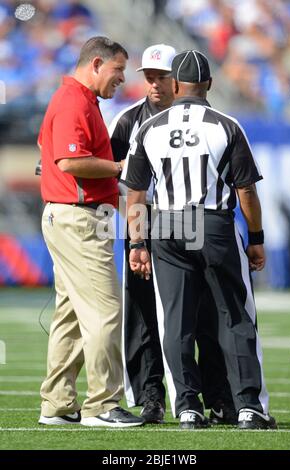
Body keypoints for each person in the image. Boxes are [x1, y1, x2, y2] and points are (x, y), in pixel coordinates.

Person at [122, 49, 277, 430]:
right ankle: (247, 407)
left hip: (168, 225)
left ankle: (188, 407)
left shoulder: (149, 127)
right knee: (235, 316)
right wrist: (256, 237)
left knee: (175, 321)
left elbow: (136, 196)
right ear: (209, 84)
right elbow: (247, 193)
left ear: (174, 85)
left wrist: (138, 244)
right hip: (212, 223)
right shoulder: (226, 124)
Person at [110, 44, 237, 425]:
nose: (153, 84)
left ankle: (215, 397)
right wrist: (137, 237)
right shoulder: (128, 120)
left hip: (189, 221)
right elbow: (120, 180)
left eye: (161, 77)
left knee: (204, 315)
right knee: (145, 316)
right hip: (146, 225)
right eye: (148, 77)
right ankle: (153, 397)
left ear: (178, 81)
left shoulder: (209, 120)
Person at [37, 36, 143, 428]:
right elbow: (69, 160)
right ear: (95, 63)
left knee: (69, 314)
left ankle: (58, 402)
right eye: (117, 70)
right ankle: (103, 404)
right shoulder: (73, 101)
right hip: (78, 218)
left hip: (69, 215)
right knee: (104, 311)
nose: (122, 79)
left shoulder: (79, 101)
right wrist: (121, 169)